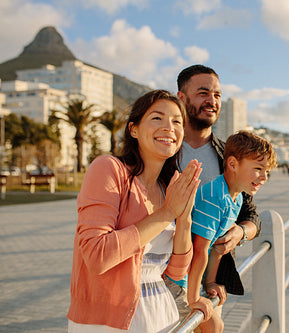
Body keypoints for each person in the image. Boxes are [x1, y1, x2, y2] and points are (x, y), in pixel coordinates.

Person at [67, 90, 205, 332]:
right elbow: (97, 256)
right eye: (157, 118)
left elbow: (175, 271)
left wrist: (183, 219)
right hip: (109, 320)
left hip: (160, 312)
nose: (169, 127)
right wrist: (166, 213)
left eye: (177, 121)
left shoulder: (169, 185)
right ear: (133, 129)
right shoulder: (109, 170)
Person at [164, 64, 262, 325]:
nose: (212, 101)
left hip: (209, 284)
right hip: (160, 277)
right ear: (181, 99)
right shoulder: (163, 148)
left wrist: (239, 234)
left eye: (217, 95)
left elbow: (251, 215)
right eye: (203, 93)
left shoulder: (228, 155)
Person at [172, 131, 277, 332]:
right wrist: (194, 297)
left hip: (196, 278)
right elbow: (200, 249)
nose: (264, 177)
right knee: (212, 326)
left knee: (216, 326)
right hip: (180, 278)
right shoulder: (215, 197)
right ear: (232, 164)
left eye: (267, 171)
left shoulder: (236, 198)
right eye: (258, 169)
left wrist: (210, 282)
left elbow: (218, 248)